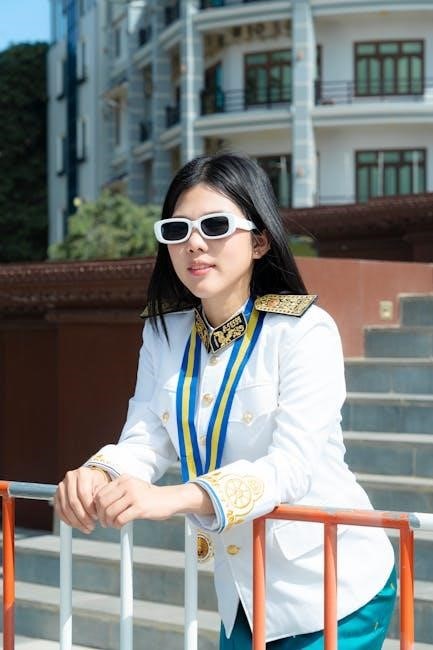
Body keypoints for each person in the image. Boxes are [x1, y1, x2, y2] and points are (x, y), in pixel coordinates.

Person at [54, 152, 396, 649]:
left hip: (332, 588)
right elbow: (146, 438)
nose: (194, 243)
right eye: (178, 230)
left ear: (259, 240)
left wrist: (176, 497)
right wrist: (98, 473)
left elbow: (291, 467)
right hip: (244, 595)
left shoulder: (304, 331)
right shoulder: (165, 334)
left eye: (215, 226)